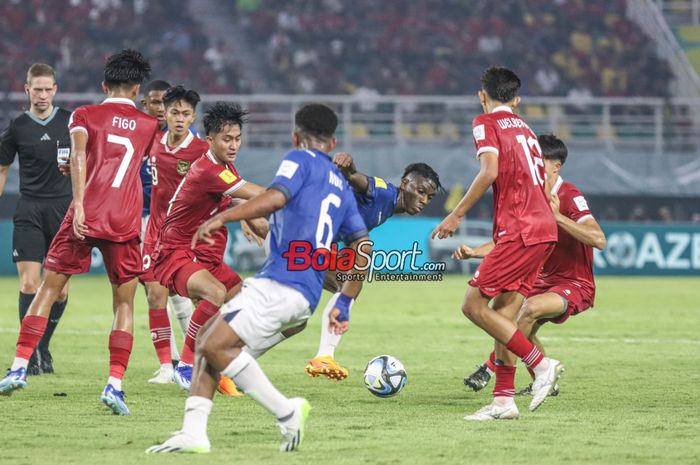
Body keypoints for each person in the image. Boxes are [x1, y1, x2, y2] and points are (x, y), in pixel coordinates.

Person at [146, 103, 371, 454]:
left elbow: (273, 198)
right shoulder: (340, 187)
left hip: (280, 284)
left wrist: (226, 218)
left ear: (296, 137)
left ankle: (286, 411)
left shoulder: (298, 160)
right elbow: (363, 244)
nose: (234, 144)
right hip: (305, 296)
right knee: (212, 343)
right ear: (334, 141)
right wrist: (343, 300)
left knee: (212, 344)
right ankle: (194, 432)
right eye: (228, 138)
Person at [0, 49, 157, 417]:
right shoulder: (150, 126)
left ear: (104, 85)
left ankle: (20, 366)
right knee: (123, 303)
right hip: (124, 220)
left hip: (83, 215)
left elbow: (81, 156)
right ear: (136, 89)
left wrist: (81, 204)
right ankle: (114, 385)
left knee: (47, 287)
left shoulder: (84, 115)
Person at [431, 66, 561, 420]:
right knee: (504, 313)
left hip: (520, 231)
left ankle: (541, 364)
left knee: (473, 306)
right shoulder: (529, 131)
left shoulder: (484, 123)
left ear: (481, 95)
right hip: (542, 230)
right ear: (517, 99)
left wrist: (456, 214)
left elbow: (489, 171)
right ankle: (504, 400)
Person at [459, 134, 606, 397]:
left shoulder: (569, 195)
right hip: (539, 280)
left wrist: (558, 217)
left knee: (527, 310)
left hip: (574, 284)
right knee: (506, 316)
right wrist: (474, 253)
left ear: (556, 166)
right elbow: (514, 240)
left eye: (540, 160)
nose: (533, 165)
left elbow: (598, 239)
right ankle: (546, 383)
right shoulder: (531, 194)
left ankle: (492, 369)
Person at [151, 102, 267, 394]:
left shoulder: (225, 167)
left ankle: (220, 362)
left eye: (238, 138)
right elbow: (259, 195)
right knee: (214, 292)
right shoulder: (207, 168)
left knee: (241, 299)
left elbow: (241, 200)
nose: (234, 145)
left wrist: (247, 217)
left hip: (201, 254)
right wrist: (297, 192)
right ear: (210, 140)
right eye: (227, 139)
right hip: (174, 251)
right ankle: (187, 365)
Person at [306, 153, 444, 380]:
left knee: (295, 320)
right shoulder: (383, 192)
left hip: (313, 241)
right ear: (404, 184)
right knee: (348, 285)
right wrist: (348, 163)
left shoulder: (388, 208)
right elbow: (355, 178)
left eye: (429, 197)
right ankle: (324, 355)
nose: (424, 201)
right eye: (420, 192)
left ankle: (232, 362)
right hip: (302, 238)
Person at [0, 63, 72, 376]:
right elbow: (2, 167)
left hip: (63, 211)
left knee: (61, 290)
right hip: (29, 209)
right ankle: (27, 355)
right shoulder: (17, 127)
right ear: (27, 90)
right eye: (37, 89)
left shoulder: (71, 123)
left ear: (55, 90)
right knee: (30, 282)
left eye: (48, 89)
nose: (42, 95)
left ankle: (43, 347)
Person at [141, 85, 209, 384]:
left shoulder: (202, 150)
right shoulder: (152, 141)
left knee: (198, 298)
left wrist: (246, 217)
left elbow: (227, 184)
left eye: (185, 114)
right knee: (155, 295)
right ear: (163, 113)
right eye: (174, 113)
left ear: (193, 117)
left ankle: (198, 360)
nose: (179, 119)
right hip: (155, 231)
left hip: (187, 234)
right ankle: (167, 367)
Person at [139, 79, 192, 367]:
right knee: (154, 290)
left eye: (165, 103)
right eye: (155, 102)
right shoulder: (139, 135)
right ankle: (170, 361)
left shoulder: (184, 140)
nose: (160, 109)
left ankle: (188, 358)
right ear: (144, 104)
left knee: (175, 288)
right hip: (139, 218)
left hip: (175, 221)